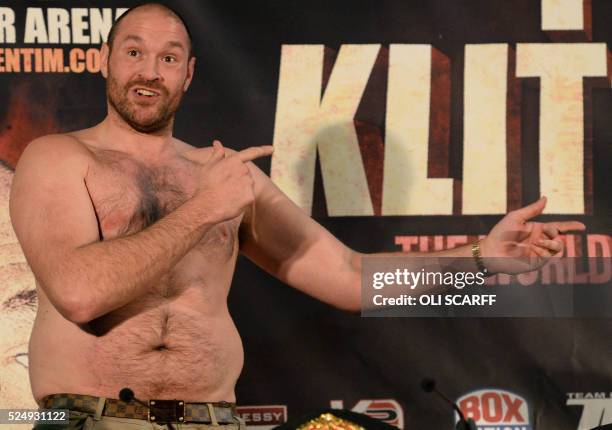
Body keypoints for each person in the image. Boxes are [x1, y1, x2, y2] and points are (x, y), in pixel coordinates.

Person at [8, 3, 585, 429]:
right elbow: (79, 291)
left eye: (168, 57)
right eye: (134, 51)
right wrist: (206, 209)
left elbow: (352, 278)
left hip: (213, 421)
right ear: (106, 60)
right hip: (93, 418)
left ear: (188, 74)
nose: (149, 71)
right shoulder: (59, 158)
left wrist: (481, 259)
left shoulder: (231, 178)